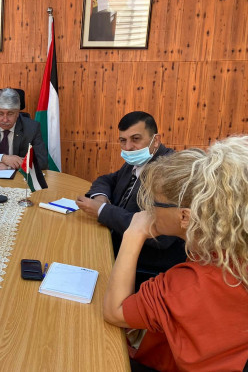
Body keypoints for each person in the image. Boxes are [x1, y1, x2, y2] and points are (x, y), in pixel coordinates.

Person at [103, 137, 248, 371]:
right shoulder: (232, 255)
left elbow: (114, 312)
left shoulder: (189, 284)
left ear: (184, 216)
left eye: (154, 203)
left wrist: (133, 234)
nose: (147, 210)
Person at [76, 111, 186, 284]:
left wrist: (103, 211)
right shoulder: (137, 160)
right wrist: (100, 198)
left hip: (146, 267)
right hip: (116, 243)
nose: (127, 147)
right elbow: (107, 180)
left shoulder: (171, 171)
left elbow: (161, 235)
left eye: (135, 139)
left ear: (156, 140)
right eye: (123, 140)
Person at [0, 88, 48, 170]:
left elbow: (42, 161)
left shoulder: (32, 128)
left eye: (10, 114)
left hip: (19, 176)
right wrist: (3, 158)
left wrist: (9, 166)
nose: (5, 120)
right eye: (0, 113)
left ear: (17, 113)